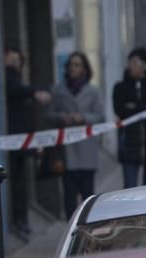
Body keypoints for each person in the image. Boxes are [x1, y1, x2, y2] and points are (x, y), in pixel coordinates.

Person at [47, 51, 104, 219]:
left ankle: (87, 226)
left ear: (85, 69)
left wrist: (84, 117)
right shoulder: (58, 90)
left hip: (87, 148)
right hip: (67, 149)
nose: (73, 68)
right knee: (69, 194)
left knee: (87, 195)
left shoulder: (93, 91)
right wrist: (63, 118)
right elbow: (48, 115)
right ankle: (71, 229)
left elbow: (100, 116)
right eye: (71, 64)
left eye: (77, 65)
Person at [4, 47, 51, 240]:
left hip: (22, 139)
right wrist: (34, 92)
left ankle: (21, 219)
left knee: (21, 182)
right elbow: (14, 89)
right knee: (16, 181)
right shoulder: (8, 79)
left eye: (18, 60)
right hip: (13, 139)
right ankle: (18, 220)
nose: (15, 62)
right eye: (12, 58)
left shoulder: (17, 78)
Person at [112, 47, 146, 188]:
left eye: (135, 62)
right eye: (130, 62)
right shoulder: (120, 87)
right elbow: (120, 110)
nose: (131, 66)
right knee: (130, 188)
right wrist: (139, 107)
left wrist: (134, 106)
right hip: (129, 145)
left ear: (145, 65)